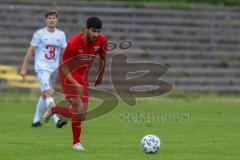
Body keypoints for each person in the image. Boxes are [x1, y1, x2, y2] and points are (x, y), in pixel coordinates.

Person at [43, 16, 108, 151]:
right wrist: (75, 83)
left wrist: (100, 76)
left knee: (81, 115)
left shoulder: (101, 41)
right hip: (68, 77)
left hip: (82, 79)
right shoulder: (73, 43)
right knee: (77, 105)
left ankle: (53, 109)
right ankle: (76, 143)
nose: (96, 34)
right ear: (87, 29)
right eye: (93, 31)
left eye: (98, 31)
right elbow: (64, 67)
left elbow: (103, 58)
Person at [20, 10, 67, 128]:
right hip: (42, 68)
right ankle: (57, 120)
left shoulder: (61, 34)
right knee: (49, 92)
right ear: (46, 20)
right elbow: (30, 50)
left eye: (54, 18)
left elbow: (66, 52)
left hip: (54, 69)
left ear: (57, 20)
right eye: (49, 18)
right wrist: (24, 68)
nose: (52, 20)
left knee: (45, 94)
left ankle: (35, 121)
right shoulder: (39, 34)